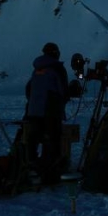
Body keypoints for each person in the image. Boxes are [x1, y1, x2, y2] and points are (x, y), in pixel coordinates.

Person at [24, 42, 69, 184]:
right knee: (52, 141)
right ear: (56, 53)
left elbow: (28, 89)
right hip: (50, 111)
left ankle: (31, 167)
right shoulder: (57, 68)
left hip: (33, 111)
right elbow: (63, 90)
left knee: (34, 139)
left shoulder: (37, 69)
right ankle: (50, 173)